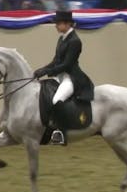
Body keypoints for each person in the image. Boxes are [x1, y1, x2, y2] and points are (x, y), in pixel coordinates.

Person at [32, 11, 94, 145]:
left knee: (56, 100)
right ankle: (46, 130)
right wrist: (42, 70)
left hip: (70, 78)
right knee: (44, 95)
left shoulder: (75, 41)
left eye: (58, 23)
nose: (56, 26)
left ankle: (61, 132)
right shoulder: (62, 38)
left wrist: (48, 71)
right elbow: (56, 61)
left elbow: (67, 64)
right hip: (59, 76)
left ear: (67, 24)